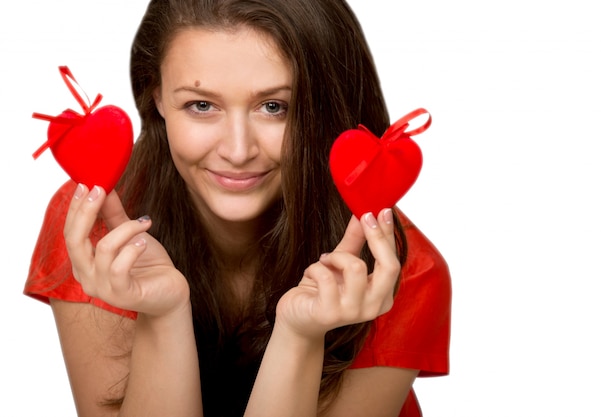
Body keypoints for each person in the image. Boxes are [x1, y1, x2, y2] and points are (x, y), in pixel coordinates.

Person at [24, 0, 452, 416]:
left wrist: (299, 335)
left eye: (274, 107)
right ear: (156, 98)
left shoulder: (401, 271)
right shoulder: (95, 227)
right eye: (201, 105)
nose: (237, 150)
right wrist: (164, 313)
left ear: (326, 110)